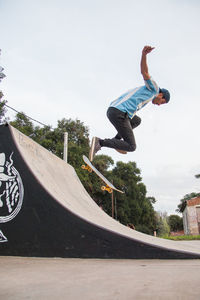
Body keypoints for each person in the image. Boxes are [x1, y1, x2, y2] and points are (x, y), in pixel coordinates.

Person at [89, 46, 170, 161]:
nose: (159, 105)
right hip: (120, 113)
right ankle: (100, 142)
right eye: (162, 102)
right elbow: (144, 72)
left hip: (115, 110)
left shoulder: (146, 92)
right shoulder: (154, 89)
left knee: (137, 120)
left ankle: (116, 140)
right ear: (161, 95)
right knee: (131, 146)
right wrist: (144, 55)